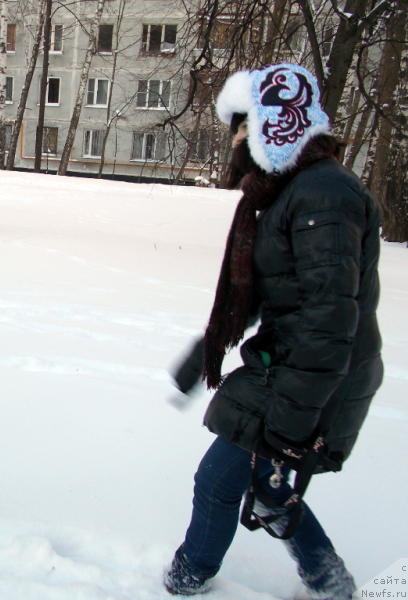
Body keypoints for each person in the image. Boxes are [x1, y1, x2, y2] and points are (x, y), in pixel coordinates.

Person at [164, 63, 383, 599]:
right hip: (299, 369)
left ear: (276, 125)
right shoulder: (293, 192)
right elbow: (279, 290)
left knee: (220, 480)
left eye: (243, 128)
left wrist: (287, 430)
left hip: (316, 378)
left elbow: (329, 322)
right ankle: (332, 583)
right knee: (268, 491)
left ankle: (188, 576)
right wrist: (206, 351)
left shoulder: (323, 197)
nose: (236, 142)